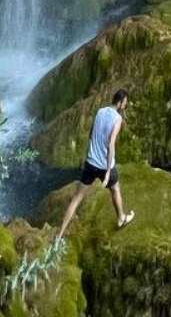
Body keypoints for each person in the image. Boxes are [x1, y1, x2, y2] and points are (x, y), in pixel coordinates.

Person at [58, 87, 134, 235]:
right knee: (115, 189)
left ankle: (59, 235)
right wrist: (107, 172)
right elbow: (111, 144)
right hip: (104, 166)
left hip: (90, 163)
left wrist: (89, 155)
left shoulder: (100, 111)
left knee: (76, 198)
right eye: (125, 103)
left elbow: (91, 135)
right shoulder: (118, 119)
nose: (125, 105)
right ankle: (121, 218)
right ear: (119, 102)